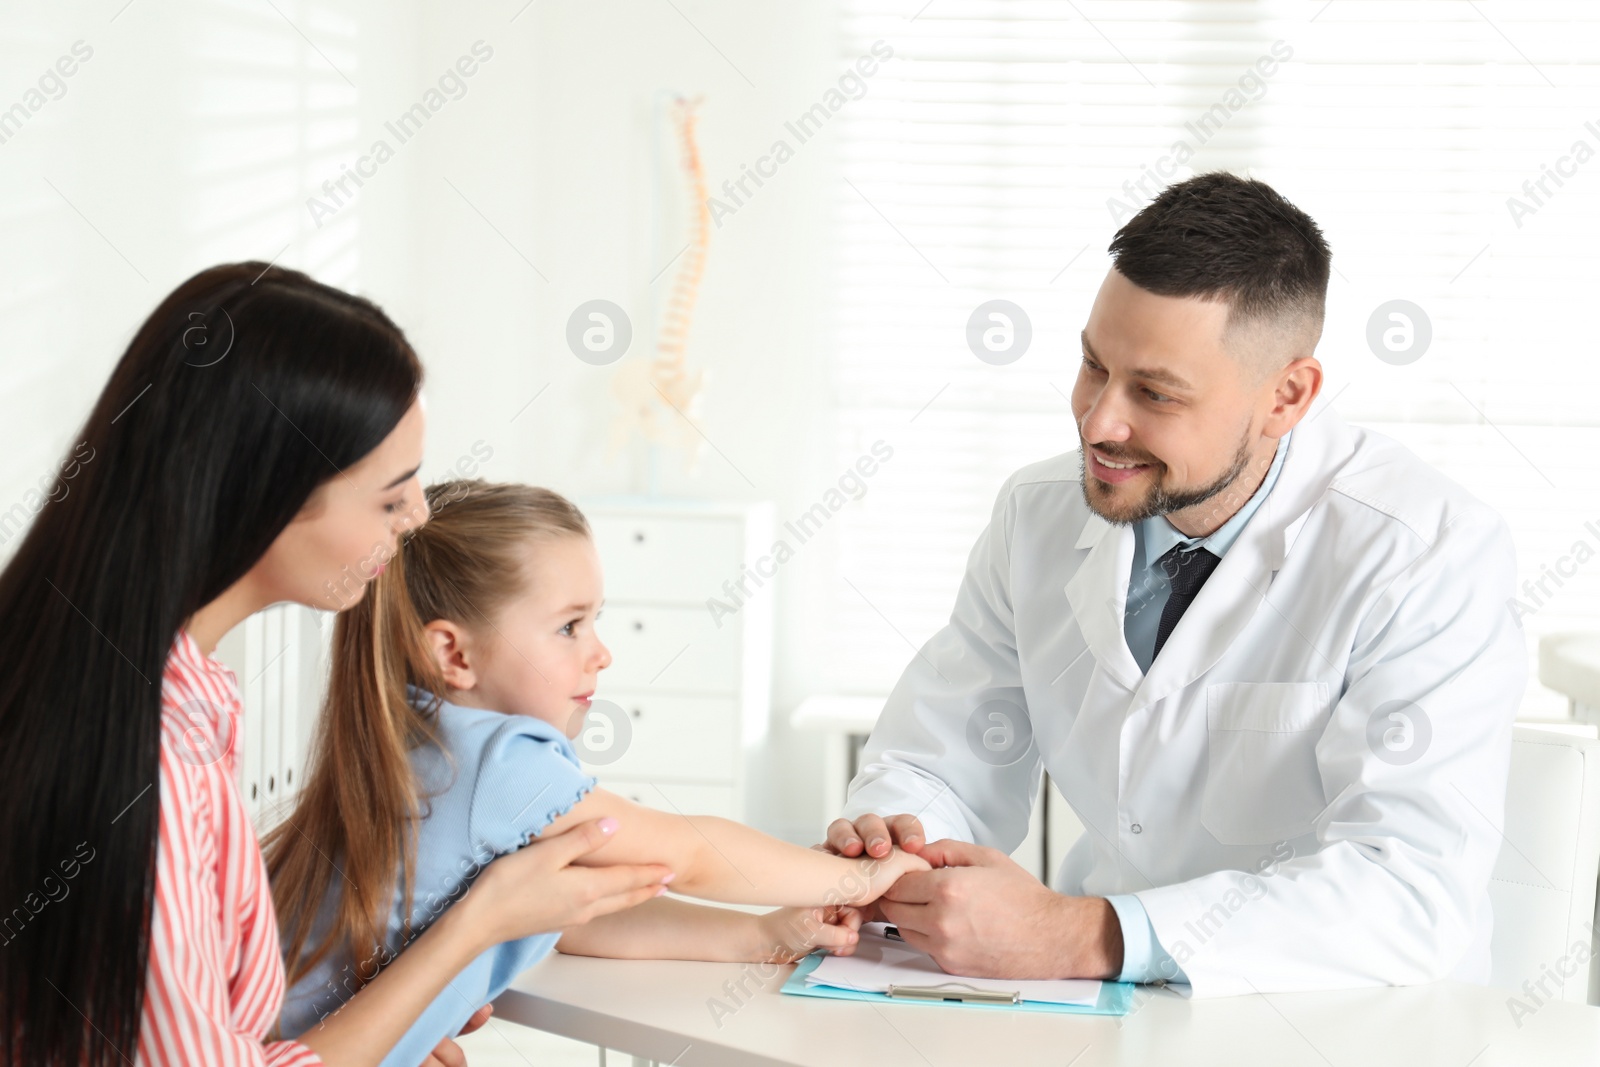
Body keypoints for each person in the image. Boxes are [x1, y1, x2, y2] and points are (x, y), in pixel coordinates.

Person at [825, 172, 1527, 997]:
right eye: (1093, 365)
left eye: (1155, 393)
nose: (1098, 421)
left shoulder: (1427, 552)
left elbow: (1407, 892)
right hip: (1106, 1006)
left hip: (1347, 1020)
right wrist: (898, 841)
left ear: (1287, 396)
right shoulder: (1037, 514)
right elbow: (946, 760)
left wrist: (1082, 932)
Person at [0, 263, 679, 1067]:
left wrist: (372, 1034)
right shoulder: (152, 759)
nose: (419, 515)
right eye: (391, 498)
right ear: (268, 495)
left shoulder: (161, 688)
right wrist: (471, 926)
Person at [269, 479, 922, 1063]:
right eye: (569, 626)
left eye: (596, 620)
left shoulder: (414, 738)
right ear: (454, 652)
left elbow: (580, 914)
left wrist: (761, 934)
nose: (601, 653)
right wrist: (863, 875)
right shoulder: (497, 757)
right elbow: (690, 852)